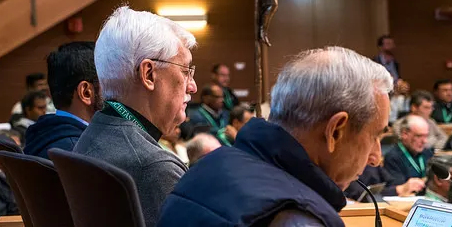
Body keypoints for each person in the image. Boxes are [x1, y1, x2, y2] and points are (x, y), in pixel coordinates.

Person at [158, 46, 393, 227]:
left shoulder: (211, 164)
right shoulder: (296, 219)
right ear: (336, 131)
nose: (375, 157)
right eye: (375, 136)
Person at [74, 6, 197, 227]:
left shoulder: (95, 131)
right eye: (185, 71)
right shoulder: (153, 168)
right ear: (149, 74)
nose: (193, 86)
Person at [25, 41, 102, 159]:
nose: (115, 92)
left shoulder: (44, 133)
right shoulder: (83, 155)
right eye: (108, 83)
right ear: (86, 92)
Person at [383, 115, 434, 185]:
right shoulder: (393, 157)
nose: (424, 141)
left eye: (426, 136)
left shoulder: (427, 153)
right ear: (405, 134)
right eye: (419, 136)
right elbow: (399, 187)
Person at [345, 165, 425, 201]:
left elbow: (392, 181)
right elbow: (361, 194)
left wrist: (404, 187)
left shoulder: (372, 164)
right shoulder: (347, 167)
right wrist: (398, 189)